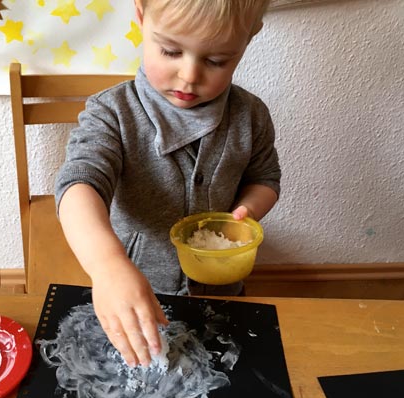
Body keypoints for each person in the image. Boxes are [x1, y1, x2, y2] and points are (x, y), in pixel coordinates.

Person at [55, 0, 280, 369]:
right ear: (142, 18)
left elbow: (265, 178)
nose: (189, 75)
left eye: (216, 61)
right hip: (138, 292)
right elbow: (80, 183)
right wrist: (107, 266)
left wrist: (248, 210)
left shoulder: (250, 115)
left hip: (222, 290)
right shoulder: (112, 112)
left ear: (248, 40)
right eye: (171, 51)